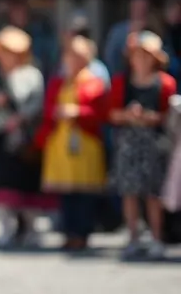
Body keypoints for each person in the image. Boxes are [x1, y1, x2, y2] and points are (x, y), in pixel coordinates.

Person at [0, 27, 50, 247]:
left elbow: (37, 104)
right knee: (2, 188)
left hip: (23, 141)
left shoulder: (32, 75)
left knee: (26, 186)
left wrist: (21, 117)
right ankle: (7, 229)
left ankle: (30, 229)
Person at [36, 35, 109, 252]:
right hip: (62, 142)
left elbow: (101, 113)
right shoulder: (59, 82)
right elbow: (48, 109)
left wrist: (78, 112)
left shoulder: (95, 83)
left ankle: (82, 233)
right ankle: (68, 232)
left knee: (84, 193)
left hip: (85, 142)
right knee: (66, 194)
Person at [108, 31, 175, 260]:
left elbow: (169, 116)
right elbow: (112, 114)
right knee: (129, 192)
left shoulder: (165, 83)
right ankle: (133, 237)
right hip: (129, 143)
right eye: (138, 55)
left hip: (154, 144)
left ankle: (157, 237)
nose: (141, 59)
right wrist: (128, 115)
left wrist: (150, 117)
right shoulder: (121, 82)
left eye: (146, 55)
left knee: (153, 194)